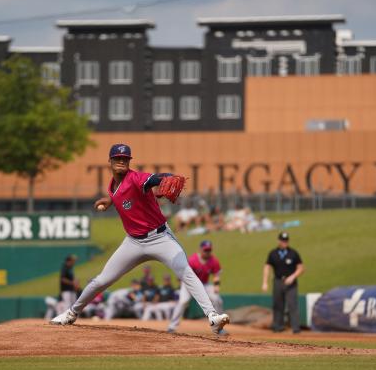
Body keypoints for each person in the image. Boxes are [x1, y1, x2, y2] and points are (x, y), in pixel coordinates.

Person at [50, 143, 230, 334]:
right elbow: (121, 194)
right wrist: (109, 200)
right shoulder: (112, 185)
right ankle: (71, 314)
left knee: (185, 271)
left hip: (160, 238)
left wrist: (166, 177)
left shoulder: (137, 178)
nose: (121, 161)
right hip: (133, 242)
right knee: (102, 280)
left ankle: (212, 317)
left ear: (129, 161)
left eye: (125, 158)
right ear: (110, 161)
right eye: (118, 158)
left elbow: (153, 179)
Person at [167, 240, 224, 333]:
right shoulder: (193, 260)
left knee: (217, 299)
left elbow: (216, 275)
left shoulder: (214, 261)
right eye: (205, 250)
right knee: (183, 302)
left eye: (209, 250)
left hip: (204, 284)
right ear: (200, 250)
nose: (207, 252)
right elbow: (183, 273)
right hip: (188, 284)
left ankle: (219, 326)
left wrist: (216, 286)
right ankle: (172, 327)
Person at [262, 231, 305, 333]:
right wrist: (265, 282)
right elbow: (267, 267)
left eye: (286, 241)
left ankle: (295, 328)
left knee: (292, 304)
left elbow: (301, 268)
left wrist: (293, 277)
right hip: (278, 281)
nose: (284, 243)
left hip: (291, 283)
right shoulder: (273, 253)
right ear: (278, 241)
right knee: (278, 304)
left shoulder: (293, 253)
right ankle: (277, 326)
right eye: (282, 240)